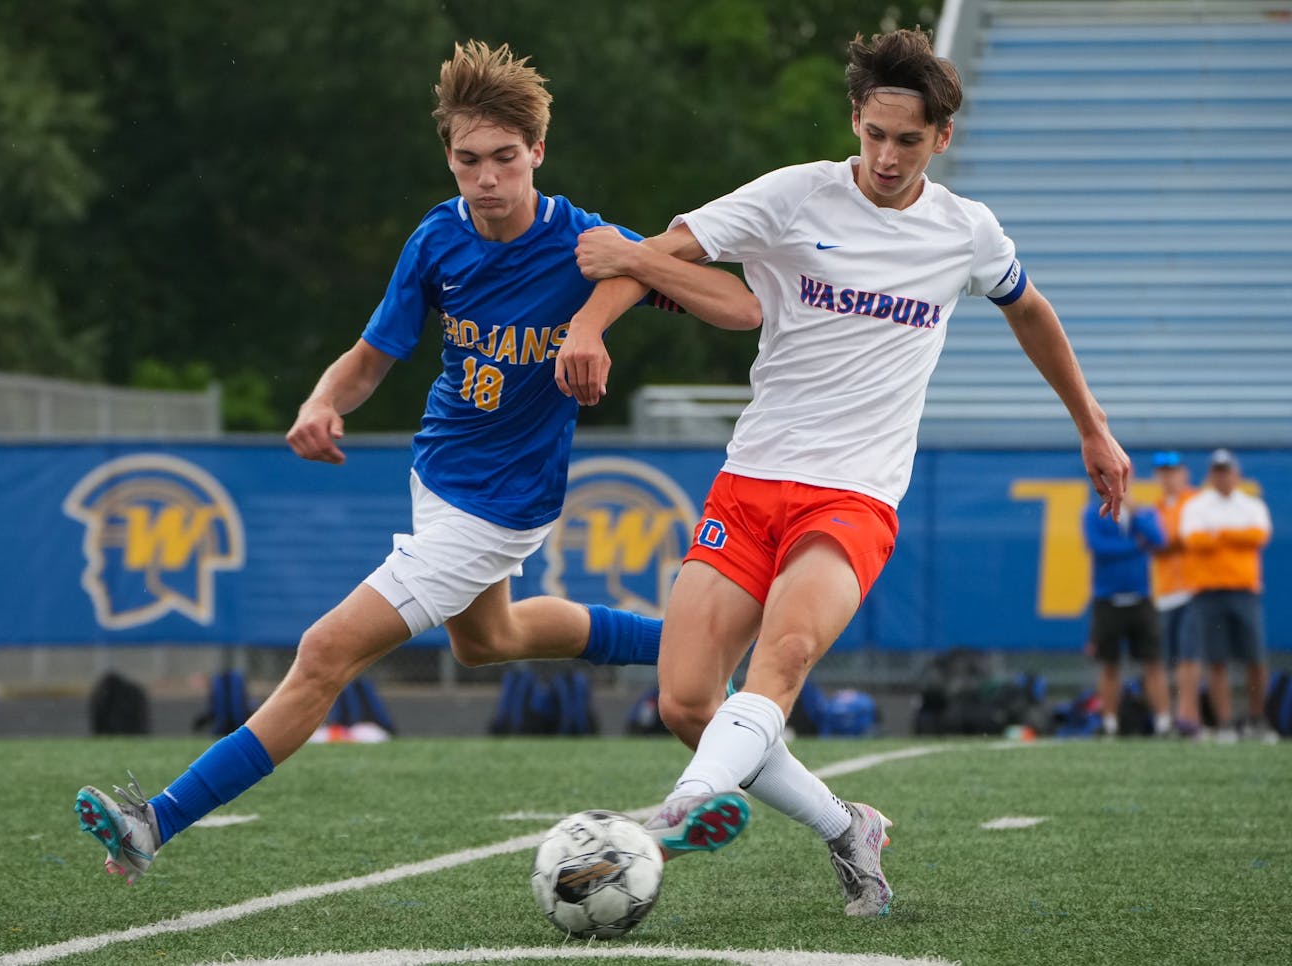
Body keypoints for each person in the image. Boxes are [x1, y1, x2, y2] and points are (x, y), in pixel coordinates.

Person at [73, 40, 761, 884]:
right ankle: (689, 648)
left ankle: (154, 824)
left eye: (506, 159)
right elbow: (370, 357)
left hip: (500, 505)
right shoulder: (437, 238)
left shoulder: (587, 243)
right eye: (469, 160)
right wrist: (322, 402)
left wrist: (599, 313)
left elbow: (740, 303)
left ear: (538, 152)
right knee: (489, 639)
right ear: (448, 156)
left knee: (325, 651)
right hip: (436, 476)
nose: (488, 180)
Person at [555, 27, 1131, 917]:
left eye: (909, 140)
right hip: (750, 481)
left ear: (942, 139)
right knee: (683, 703)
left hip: (856, 493)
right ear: (855, 121)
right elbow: (659, 251)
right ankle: (846, 827)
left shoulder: (965, 231)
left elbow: (1033, 312)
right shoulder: (792, 197)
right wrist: (591, 326)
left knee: (778, 665)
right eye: (875, 135)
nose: (889, 157)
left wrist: (1092, 428)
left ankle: (682, 808)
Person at [1181, 448, 1274, 743]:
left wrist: (1218, 536)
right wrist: (1235, 536)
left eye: (1227, 471)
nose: (1223, 477)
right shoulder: (1197, 505)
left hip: (1244, 590)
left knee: (1255, 659)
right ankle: (1225, 723)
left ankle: (1257, 719)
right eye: (1218, 472)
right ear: (1211, 475)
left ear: (1237, 474)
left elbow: (1258, 536)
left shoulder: (1251, 505)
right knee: (1216, 660)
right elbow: (1193, 540)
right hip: (1208, 592)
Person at [1081, 491, 1171, 736]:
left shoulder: (1144, 512)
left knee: (1152, 662)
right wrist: (1136, 545)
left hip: (1140, 598)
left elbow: (1160, 540)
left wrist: (1137, 515)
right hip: (1107, 599)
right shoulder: (1093, 512)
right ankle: (1109, 722)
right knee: (1109, 664)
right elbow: (1099, 546)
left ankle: (1164, 722)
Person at [1149, 450, 1202, 736]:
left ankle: (1188, 715)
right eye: (1163, 472)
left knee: (1188, 655)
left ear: (1184, 474)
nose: (1168, 477)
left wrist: (1164, 541)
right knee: (1168, 658)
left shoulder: (1195, 502)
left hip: (1193, 589)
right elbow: (1157, 541)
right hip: (1165, 591)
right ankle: (1169, 718)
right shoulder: (1157, 507)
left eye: (1173, 471)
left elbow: (1176, 539)